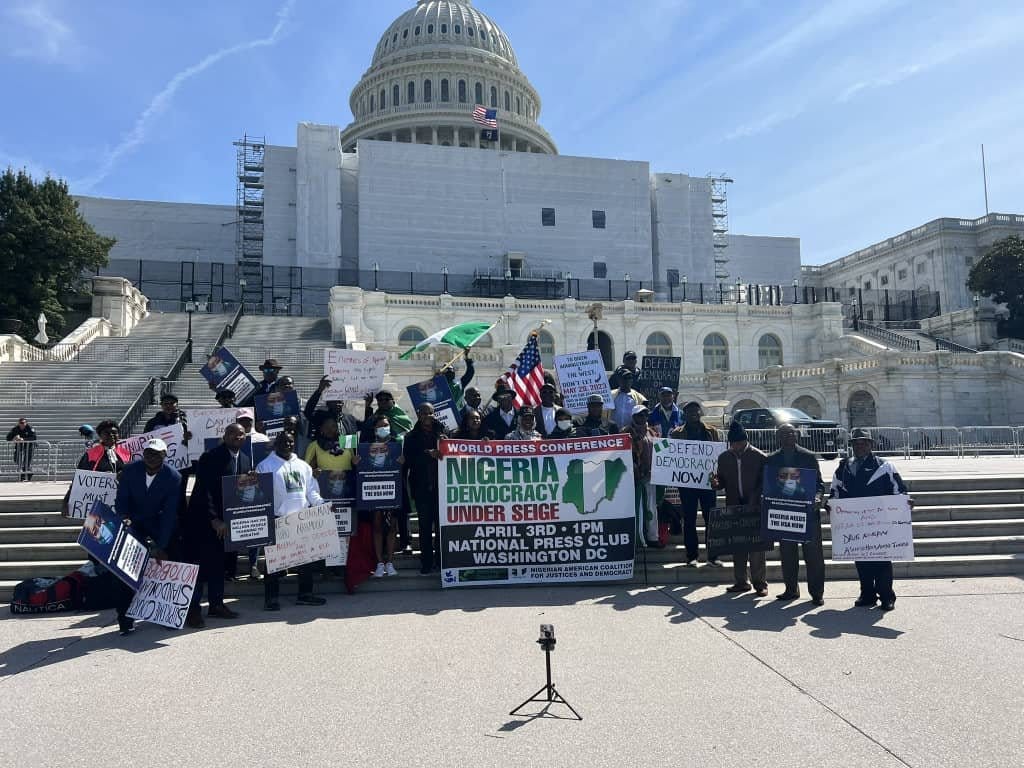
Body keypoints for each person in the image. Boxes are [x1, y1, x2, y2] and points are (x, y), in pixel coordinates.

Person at [828, 428, 911, 611]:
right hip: (855, 525)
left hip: (880, 524)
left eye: (864, 442)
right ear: (851, 446)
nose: (860, 446)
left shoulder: (884, 466)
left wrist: (904, 503)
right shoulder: (843, 467)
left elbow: (899, 489)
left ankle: (887, 597)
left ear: (871, 445)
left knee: (882, 561)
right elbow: (835, 490)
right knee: (861, 560)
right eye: (856, 443)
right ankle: (867, 595)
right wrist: (832, 504)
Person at [183, 423, 251, 627]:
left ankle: (216, 605)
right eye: (233, 434)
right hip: (205, 522)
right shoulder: (210, 457)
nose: (237, 437)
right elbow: (204, 491)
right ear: (225, 435)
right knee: (200, 567)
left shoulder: (246, 459)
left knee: (218, 566)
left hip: (228, 524)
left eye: (241, 434)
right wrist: (214, 519)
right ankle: (193, 609)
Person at [112, 438, 183, 635]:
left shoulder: (173, 477)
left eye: (157, 454)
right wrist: (124, 517)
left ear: (164, 456)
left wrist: (161, 546)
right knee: (125, 570)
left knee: (169, 566)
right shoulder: (130, 471)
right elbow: (121, 500)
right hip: (133, 524)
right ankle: (125, 619)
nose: (151, 458)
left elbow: (169, 514)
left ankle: (167, 614)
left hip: (158, 524)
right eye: (148, 453)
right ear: (143, 455)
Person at [256, 431, 327, 610]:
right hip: (278, 519)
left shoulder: (303, 466)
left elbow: (311, 491)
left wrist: (321, 503)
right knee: (274, 562)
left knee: (306, 561)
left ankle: (305, 594)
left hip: (301, 520)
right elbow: (260, 494)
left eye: (290, 442)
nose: (287, 445)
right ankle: (271, 599)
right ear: (275, 444)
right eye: (283, 442)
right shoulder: (265, 466)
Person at [765, 423, 825, 605]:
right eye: (784, 433)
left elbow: (819, 485)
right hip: (785, 514)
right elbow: (769, 487)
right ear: (778, 437)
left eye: (791, 433)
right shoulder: (772, 459)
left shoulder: (808, 457)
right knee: (788, 554)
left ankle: (817, 593)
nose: (788, 436)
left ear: (796, 435)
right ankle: (791, 589)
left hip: (808, 513)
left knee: (813, 556)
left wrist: (817, 498)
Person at [713, 422, 769, 596]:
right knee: (738, 545)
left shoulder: (759, 456)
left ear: (746, 441)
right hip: (734, 506)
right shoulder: (724, 458)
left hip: (754, 507)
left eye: (739, 443)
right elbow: (722, 481)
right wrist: (716, 484)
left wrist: (756, 497)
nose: (736, 447)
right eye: (733, 444)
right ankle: (741, 581)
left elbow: (765, 482)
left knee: (756, 548)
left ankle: (760, 583)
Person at [671, 401, 724, 566]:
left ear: (700, 412)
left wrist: (718, 477)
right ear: (684, 414)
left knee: (711, 520)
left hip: (708, 482)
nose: (693, 413)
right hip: (687, 483)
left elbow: (718, 457)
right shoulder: (676, 434)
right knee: (689, 520)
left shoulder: (711, 431)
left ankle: (713, 556)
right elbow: (673, 456)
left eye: (696, 410)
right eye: (689, 411)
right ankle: (691, 555)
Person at [357, 414, 405, 576]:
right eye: (380, 426)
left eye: (386, 425)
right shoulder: (365, 446)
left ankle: (390, 562)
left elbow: (404, 468)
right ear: (375, 429)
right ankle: (379, 563)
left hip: (393, 490)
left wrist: (403, 462)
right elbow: (362, 469)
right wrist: (356, 462)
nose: (384, 428)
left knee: (392, 526)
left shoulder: (396, 445)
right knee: (377, 526)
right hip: (374, 491)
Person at [401, 404, 445, 574]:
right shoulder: (411, 437)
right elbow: (409, 461)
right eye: (424, 413)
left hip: (442, 488)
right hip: (422, 488)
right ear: (418, 415)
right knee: (425, 527)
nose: (428, 416)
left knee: (441, 527)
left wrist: (446, 444)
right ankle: (426, 562)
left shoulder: (443, 433)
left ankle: (441, 560)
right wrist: (428, 453)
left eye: (431, 413)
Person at [627, 405, 660, 547]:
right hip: (633, 478)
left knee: (651, 508)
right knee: (637, 510)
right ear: (633, 417)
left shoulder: (653, 432)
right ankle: (638, 539)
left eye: (645, 415)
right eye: (640, 415)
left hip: (651, 476)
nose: (643, 418)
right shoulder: (626, 432)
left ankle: (653, 537)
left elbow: (661, 449)